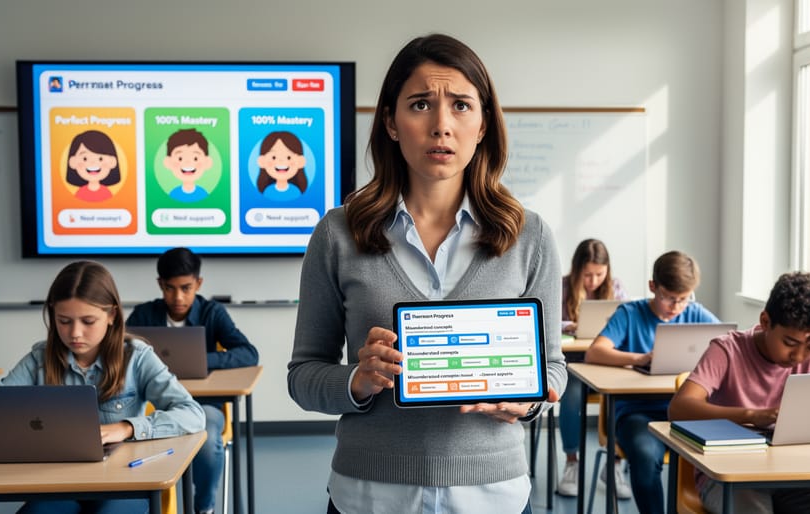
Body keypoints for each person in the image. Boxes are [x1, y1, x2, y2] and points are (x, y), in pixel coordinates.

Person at [286, 33, 566, 514]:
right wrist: (358, 379)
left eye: (461, 105)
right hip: (369, 496)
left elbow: (553, 367)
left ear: (482, 125)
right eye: (420, 105)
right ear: (392, 123)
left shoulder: (530, 235)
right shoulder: (337, 234)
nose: (441, 125)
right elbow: (303, 376)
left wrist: (529, 400)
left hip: (494, 496)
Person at [0, 260, 205, 514]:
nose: (75, 333)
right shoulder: (38, 359)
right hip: (57, 483)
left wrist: (126, 427)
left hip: (123, 484)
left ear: (111, 316)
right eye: (64, 321)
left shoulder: (137, 358)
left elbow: (192, 413)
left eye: (88, 321)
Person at [669, 271, 810, 513]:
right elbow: (679, 408)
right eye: (790, 343)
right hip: (728, 477)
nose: (799, 356)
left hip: (790, 477)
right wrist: (752, 415)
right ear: (765, 321)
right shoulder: (728, 350)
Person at [584, 250, 719, 514]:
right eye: (669, 298)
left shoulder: (696, 312)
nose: (677, 307)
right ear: (652, 286)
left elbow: (729, 345)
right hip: (638, 412)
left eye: (683, 299)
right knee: (645, 457)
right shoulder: (630, 313)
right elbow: (594, 352)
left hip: (689, 412)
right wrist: (641, 358)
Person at [127, 247, 259, 514]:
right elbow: (118, 356)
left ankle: (204, 508)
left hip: (205, 405)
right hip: (154, 408)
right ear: (160, 285)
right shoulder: (143, 315)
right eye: (170, 288)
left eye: (186, 288)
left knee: (208, 434)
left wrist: (201, 360)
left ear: (198, 284)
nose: (178, 297)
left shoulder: (213, 313)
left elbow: (248, 353)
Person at [556, 238, 631, 498]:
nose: (593, 280)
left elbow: (627, 323)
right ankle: (571, 462)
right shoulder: (562, 285)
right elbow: (546, 320)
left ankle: (616, 464)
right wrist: (569, 326)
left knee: (621, 393)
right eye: (587, 275)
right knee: (572, 394)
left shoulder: (616, 287)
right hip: (574, 365)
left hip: (604, 362)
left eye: (599, 274)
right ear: (577, 270)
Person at [66, 130, 121, 202]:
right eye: (85, 159)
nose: (93, 162)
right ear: (72, 162)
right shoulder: (80, 193)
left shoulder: (106, 193)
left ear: (112, 162)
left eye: (100, 159)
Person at [163, 128, 213, 202]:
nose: (188, 163)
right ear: (168, 162)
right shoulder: (173, 194)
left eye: (195, 158)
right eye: (180, 158)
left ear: (207, 162)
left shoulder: (203, 194)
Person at [257, 130, 308, 201]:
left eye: (289, 157)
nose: (281, 161)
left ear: (300, 161)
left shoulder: (295, 192)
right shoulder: (268, 192)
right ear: (262, 161)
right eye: (273, 157)